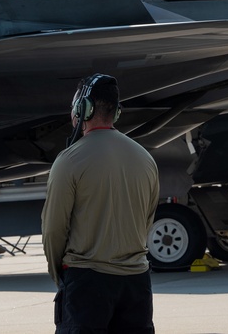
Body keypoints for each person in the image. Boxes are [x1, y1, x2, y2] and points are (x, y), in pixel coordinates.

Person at [41, 74, 159, 333]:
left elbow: (53, 230)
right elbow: (146, 220)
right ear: (116, 112)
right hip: (136, 283)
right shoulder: (145, 159)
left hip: (87, 282)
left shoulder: (69, 160)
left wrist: (60, 276)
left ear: (82, 109)